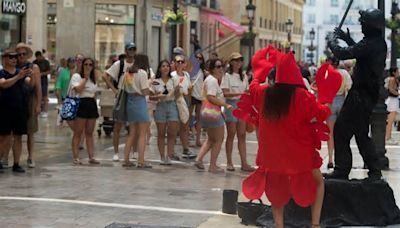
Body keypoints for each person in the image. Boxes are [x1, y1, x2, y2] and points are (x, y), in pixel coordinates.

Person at [241, 48, 332, 228]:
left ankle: (279, 225)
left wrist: (259, 72)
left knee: (276, 190)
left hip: (273, 154)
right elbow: (323, 113)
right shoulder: (304, 96)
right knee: (319, 182)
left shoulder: (265, 93)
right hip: (300, 155)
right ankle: (315, 224)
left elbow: (253, 87)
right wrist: (326, 95)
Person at [325, 8, 387, 180]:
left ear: (370, 26)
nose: (361, 26)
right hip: (365, 95)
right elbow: (360, 52)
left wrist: (331, 41)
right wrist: (346, 38)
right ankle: (374, 170)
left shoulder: (370, 44)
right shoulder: (376, 43)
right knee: (360, 134)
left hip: (360, 95)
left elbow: (343, 53)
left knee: (341, 131)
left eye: (363, 23)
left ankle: (342, 169)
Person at [194, 58, 233, 173]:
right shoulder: (212, 81)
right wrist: (225, 105)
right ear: (212, 69)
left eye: (221, 66)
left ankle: (199, 159)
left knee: (210, 139)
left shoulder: (211, 80)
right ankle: (212, 165)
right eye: (218, 66)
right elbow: (211, 97)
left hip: (207, 113)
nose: (221, 69)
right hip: (213, 113)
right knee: (218, 140)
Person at [0, 49, 34, 172]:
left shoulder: (20, 72)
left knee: (18, 137)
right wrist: (18, 76)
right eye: (11, 57)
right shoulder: (2, 73)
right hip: (4, 109)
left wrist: (32, 74)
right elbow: (3, 84)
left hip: (19, 109)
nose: (14, 59)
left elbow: (30, 83)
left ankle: (16, 163)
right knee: (4, 137)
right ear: (5, 59)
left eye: (15, 57)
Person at [102, 42, 136, 161]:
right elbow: (105, 76)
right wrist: (114, 89)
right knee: (118, 125)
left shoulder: (138, 64)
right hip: (122, 95)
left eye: (133, 49)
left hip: (134, 95)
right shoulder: (119, 64)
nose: (131, 51)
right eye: (129, 49)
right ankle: (116, 153)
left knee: (134, 125)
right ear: (126, 51)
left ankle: (134, 152)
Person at [221, 52, 254, 172]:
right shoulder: (227, 76)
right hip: (232, 105)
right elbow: (225, 93)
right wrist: (240, 94)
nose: (238, 62)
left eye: (240, 60)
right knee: (231, 134)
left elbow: (247, 90)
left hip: (242, 105)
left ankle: (244, 162)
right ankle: (229, 162)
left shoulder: (244, 76)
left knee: (242, 135)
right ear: (231, 62)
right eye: (236, 60)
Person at [120, 54, 151, 168]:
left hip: (130, 103)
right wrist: (150, 88)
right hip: (139, 103)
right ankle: (141, 160)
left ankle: (126, 159)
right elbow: (144, 90)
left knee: (132, 133)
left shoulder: (128, 73)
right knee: (143, 134)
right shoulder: (142, 73)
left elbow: (126, 89)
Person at [70, 58, 100, 165]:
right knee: (78, 132)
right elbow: (78, 89)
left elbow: (94, 92)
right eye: (86, 64)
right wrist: (85, 78)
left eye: (90, 64)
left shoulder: (94, 78)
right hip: (81, 103)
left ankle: (91, 156)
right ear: (82, 65)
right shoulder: (77, 76)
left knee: (90, 132)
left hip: (91, 104)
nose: (88, 66)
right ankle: (76, 157)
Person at [16, 43, 42, 168]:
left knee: (30, 131)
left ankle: (30, 157)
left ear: (27, 55)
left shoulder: (34, 67)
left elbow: (38, 88)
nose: (21, 56)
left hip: (30, 100)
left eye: (23, 54)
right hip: (17, 100)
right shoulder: (13, 66)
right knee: (16, 132)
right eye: (19, 54)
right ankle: (11, 158)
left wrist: (38, 104)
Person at [324, 56, 352, 169]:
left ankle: (330, 158)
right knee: (341, 132)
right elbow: (349, 87)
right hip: (341, 100)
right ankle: (340, 158)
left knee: (330, 133)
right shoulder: (344, 73)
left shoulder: (327, 73)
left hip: (330, 101)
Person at [150, 60, 179, 165]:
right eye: (163, 66)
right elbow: (150, 97)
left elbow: (179, 94)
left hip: (172, 105)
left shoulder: (174, 80)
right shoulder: (155, 81)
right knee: (161, 133)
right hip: (160, 106)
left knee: (172, 132)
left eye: (167, 66)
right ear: (159, 68)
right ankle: (162, 156)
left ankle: (169, 156)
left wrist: (177, 90)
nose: (166, 68)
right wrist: (158, 96)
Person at [171, 55, 196, 159]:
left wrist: (189, 97)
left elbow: (189, 89)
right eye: (178, 61)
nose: (180, 63)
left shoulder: (186, 75)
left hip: (185, 100)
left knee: (185, 126)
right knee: (174, 127)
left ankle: (185, 149)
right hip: (176, 100)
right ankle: (171, 151)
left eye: (182, 61)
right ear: (174, 63)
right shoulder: (172, 75)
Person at [189, 52, 207, 147]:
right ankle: (190, 132)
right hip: (190, 95)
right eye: (197, 58)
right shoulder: (189, 70)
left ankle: (197, 139)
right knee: (187, 116)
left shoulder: (203, 72)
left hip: (199, 96)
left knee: (199, 117)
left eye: (200, 59)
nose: (198, 60)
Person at [33, 51, 51, 118]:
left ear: (41, 56)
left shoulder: (46, 62)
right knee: (36, 95)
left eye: (39, 57)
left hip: (43, 81)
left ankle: (45, 111)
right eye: (37, 57)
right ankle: (38, 109)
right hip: (36, 81)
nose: (38, 58)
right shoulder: (34, 62)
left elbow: (49, 71)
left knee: (45, 96)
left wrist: (41, 74)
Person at [385, 67, 400, 145]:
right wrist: (398, 93)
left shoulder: (393, 79)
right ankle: (388, 137)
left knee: (390, 120)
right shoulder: (392, 79)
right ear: (394, 72)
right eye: (397, 71)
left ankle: (388, 136)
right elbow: (391, 89)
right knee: (390, 120)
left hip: (393, 100)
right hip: (392, 101)